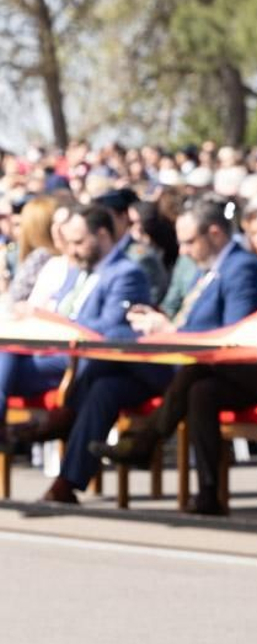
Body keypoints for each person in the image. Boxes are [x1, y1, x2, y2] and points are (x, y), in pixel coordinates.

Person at [83, 197, 257, 513]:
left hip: (255, 370)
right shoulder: (208, 269)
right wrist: (159, 322)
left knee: (191, 370)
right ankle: (208, 493)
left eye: (190, 242)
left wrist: (171, 332)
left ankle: (145, 441)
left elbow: (233, 334)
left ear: (214, 233)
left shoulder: (241, 268)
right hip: (213, 370)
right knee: (201, 390)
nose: (184, 251)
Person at [16, 205, 155, 502]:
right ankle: (66, 479)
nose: (72, 250)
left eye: (79, 242)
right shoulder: (78, 272)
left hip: (127, 366)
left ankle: (63, 422)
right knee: (101, 390)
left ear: (102, 235)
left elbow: (111, 329)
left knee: (99, 374)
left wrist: (58, 326)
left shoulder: (126, 273)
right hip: (92, 369)